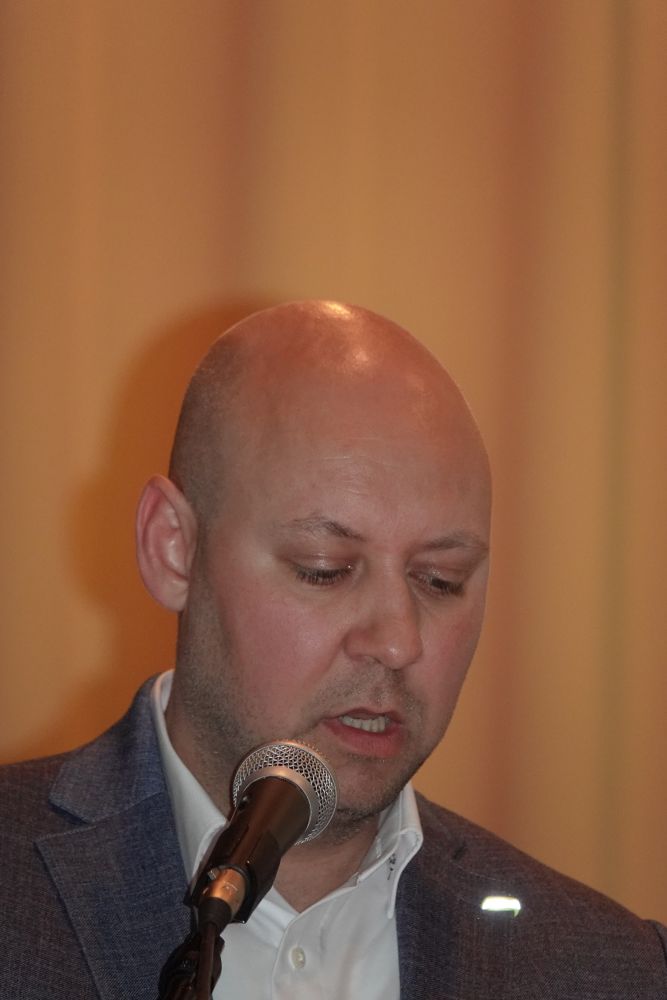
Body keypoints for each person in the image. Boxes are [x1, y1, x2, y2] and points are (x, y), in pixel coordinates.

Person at [0, 300, 665, 999]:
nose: (398, 642)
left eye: (441, 580)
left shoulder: (613, 971)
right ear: (173, 549)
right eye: (325, 569)